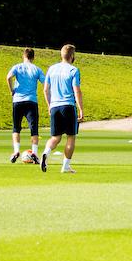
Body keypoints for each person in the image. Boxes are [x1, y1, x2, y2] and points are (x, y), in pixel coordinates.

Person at [41, 44, 83, 173]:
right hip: (68, 106)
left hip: (54, 106)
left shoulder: (51, 69)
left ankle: (46, 153)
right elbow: (77, 91)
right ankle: (65, 166)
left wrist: (49, 105)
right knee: (71, 137)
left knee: (55, 137)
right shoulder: (73, 70)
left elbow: (46, 89)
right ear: (72, 56)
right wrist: (81, 109)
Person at [6, 47, 44, 163]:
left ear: (23, 56)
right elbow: (45, 82)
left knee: (16, 127)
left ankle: (16, 151)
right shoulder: (37, 69)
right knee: (34, 129)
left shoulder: (17, 67)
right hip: (31, 101)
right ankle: (35, 153)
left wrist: (11, 90)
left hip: (17, 100)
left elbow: (8, 77)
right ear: (33, 57)